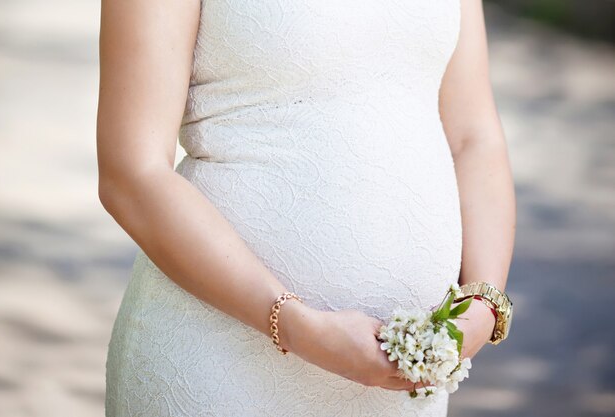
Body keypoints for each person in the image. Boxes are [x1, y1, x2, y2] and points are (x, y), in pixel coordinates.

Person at [97, 0, 516, 415]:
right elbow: (131, 175)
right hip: (217, 362)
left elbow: (474, 138)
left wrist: (484, 301)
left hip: (397, 395)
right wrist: (296, 327)